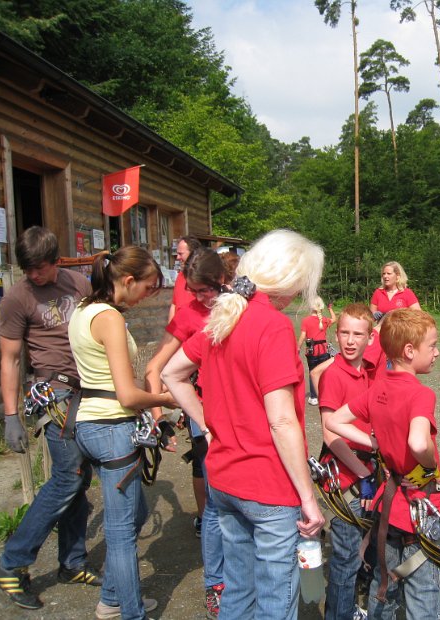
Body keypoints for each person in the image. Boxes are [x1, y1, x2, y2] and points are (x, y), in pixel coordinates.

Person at [161, 229, 326, 619]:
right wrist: (307, 497)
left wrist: (206, 424)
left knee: (237, 593)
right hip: (268, 487)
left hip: (223, 480)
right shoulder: (272, 325)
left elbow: (171, 374)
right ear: (290, 280)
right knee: (274, 602)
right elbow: (282, 419)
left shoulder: (224, 315)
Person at [0, 226, 99, 611]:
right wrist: (10, 416)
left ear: (56, 261)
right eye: (28, 269)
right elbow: (10, 359)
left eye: (41, 268)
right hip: (54, 394)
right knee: (66, 477)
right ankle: (10, 563)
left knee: (80, 480)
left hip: (89, 391)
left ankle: (72, 561)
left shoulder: (78, 283)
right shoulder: (17, 298)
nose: (34, 276)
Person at [68, 246, 178, 620]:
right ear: (127, 281)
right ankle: (130, 612)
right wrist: (167, 398)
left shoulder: (82, 310)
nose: (148, 295)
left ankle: (113, 597)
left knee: (136, 513)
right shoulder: (110, 318)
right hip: (112, 427)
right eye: (147, 287)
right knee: (120, 534)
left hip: (90, 425)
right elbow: (128, 394)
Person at [326, 308, 440, 620]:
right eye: (432, 346)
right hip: (420, 507)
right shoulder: (421, 394)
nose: (437, 353)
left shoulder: (377, 387)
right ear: (410, 350)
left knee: (386, 581)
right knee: (423, 591)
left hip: (388, 508)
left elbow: (337, 421)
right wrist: (429, 468)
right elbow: (418, 443)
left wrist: (376, 443)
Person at [144, 247, 233, 619]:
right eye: (193, 291)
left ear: (223, 281)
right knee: (215, 504)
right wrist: (161, 410)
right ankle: (216, 584)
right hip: (205, 415)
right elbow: (156, 367)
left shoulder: (241, 305)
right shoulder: (190, 314)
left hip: (244, 413)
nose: (199, 299)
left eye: (204, 291)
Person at [317, 303, 377, 620]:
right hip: (347, 479)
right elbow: (331, 435)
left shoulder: (367, 372)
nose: (350, 341)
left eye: (358, 334)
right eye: (344, 333)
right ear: (335, 334)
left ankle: (352, 606)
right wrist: (364, 475)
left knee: (362, 551)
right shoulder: (333, 376)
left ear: (370, 337)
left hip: (366, 473)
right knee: (344, 558)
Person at [297, 296, 336, 406]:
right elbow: (334, 319)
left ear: (311, 307)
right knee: (323, 373)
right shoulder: (324, 320)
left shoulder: (306, 321)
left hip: (311, 351)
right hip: (324, 351)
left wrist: (298, 347)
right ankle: (324, 395)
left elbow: (302, 336)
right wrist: (330, 309)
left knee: (312, 372)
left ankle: (314, 397)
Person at [168, 235, 202, 321]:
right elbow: (174, 304)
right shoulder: (180, 275)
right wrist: (170, 328)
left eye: (180, 254)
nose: (177, 257)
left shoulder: (202, 277)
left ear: (193, 253)